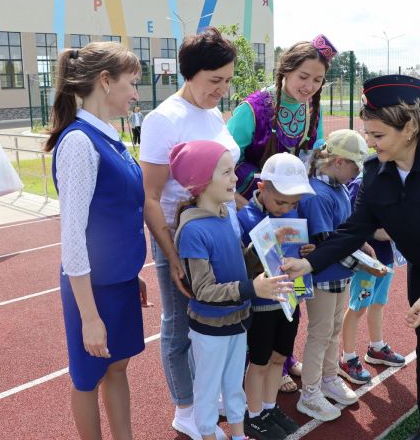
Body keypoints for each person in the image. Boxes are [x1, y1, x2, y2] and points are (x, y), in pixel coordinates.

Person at [282, 75, 420, 440]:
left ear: (408, 128)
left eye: (377, 135)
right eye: (368, 134)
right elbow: (352, 231)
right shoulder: (376, 174)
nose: (370, 144)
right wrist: (308, 264)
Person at [44, 42, 150, 440]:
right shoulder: (79, 143)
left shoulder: (109, 139)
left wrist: (129, 271)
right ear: (105, 82)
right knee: (88, 376)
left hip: (117, 282)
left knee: (118, 366)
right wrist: (89, 315)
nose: (135, 93)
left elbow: (118, 215)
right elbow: (72, 236)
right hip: (90, 289)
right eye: (131, 83)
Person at [139, 27, 239, 440]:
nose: (222, 89)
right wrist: (172, 255)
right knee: (180, 323)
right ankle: (184, 406)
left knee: (212, 323)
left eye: (228, 80)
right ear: (190, 73)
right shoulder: (163, 119)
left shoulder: (213, 113)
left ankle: (204, 396)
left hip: (222, 232)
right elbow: (150, 196)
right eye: (215, 80)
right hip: (182, 239)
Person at [171, 140, 292, 440]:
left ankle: (238, 435)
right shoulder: (193, 230)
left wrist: (265, 244)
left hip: (237, 322)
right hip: (211, 329)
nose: (236, 178)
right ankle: (209, 435)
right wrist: (253, 288)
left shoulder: (225, 216)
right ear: (200, 181)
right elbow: (204, 290)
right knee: (208, 389)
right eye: (226, 172)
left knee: (233, 385)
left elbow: (240, 262)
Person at [236, 152, 316, 440]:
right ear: (261, 188)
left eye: (293, 203)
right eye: (281, 201)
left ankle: (269, 408)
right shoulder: (245, 218)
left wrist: (307, 252)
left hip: (290, 301)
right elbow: (243, 266)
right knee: (258, 361)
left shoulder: (292, 214)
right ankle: (253, 415)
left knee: (279, 356)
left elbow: (297, 251)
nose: (286, 208)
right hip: (262, 306)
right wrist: (269, 242)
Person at [295, 129, 369, 422]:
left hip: (342, 275)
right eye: (355, 166)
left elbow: (346, 231)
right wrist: (363, 261)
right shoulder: (316, 194)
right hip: (323, 278)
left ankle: (328, 379)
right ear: (339, 162)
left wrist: (361, 250)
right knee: (320, 332)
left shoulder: (338, 188)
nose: (357, 172)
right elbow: (327, 243)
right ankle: (309, 393)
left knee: (334, 329)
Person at [227, 34, 337, 207]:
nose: (309, 87)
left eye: (317, 80)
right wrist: (248, 208)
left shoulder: (313, 107)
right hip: (253, 200)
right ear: (286, 69)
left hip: (296, 200)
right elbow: (226, 163)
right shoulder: (252, 109)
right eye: (303, 77)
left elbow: (316, 147)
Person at [338, 172, 405, 385]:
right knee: (358, 306)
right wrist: (376, 234)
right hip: (367, 260)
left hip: (387, 257)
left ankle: (376, 347)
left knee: (378, 302)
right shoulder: (361, 185)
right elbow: (349, 223)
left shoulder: (401, 181)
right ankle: (347, 357)